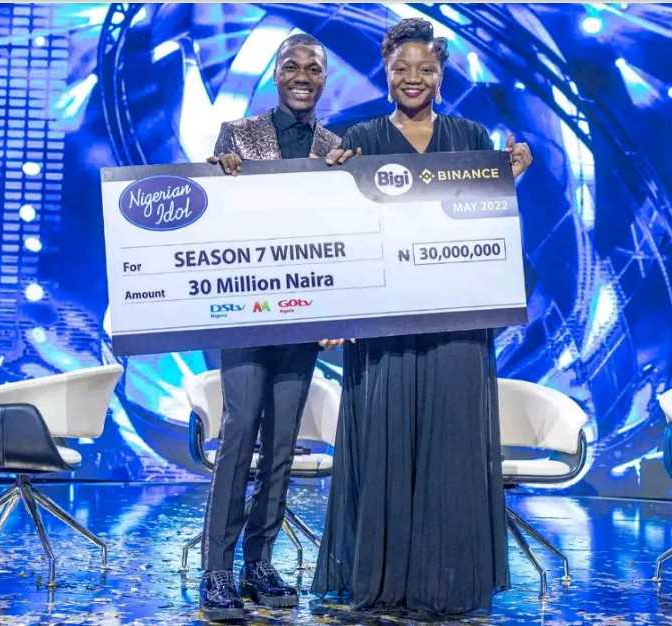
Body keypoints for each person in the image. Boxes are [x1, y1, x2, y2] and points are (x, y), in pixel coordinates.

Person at [312, 18, 533, 617]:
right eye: (401, 68)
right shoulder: (358, 141)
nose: (414, 78)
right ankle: (383, 582)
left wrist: (509, 179)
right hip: (383, 332)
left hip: (457, 330)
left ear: (441, 75)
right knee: (384, 446)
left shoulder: (471, 137)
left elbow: (486, 227)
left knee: (451, 450)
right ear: (386, 73)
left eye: (426, 69)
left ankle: (447, 584)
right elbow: (338, 231)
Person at [199, 34, 341, 621]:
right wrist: (218, 175)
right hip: (246, 314)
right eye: (292, 66)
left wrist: (339, 310)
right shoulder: (237, 135)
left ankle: (259, 562)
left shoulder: (336, 148)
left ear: (324, 78)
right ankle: (216, 571)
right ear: (276, 75)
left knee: (282, 446)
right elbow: (212, 219)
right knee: (238, 438)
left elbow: (342, 236)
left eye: (314, 67)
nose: (303, 75)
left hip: (302, 319)